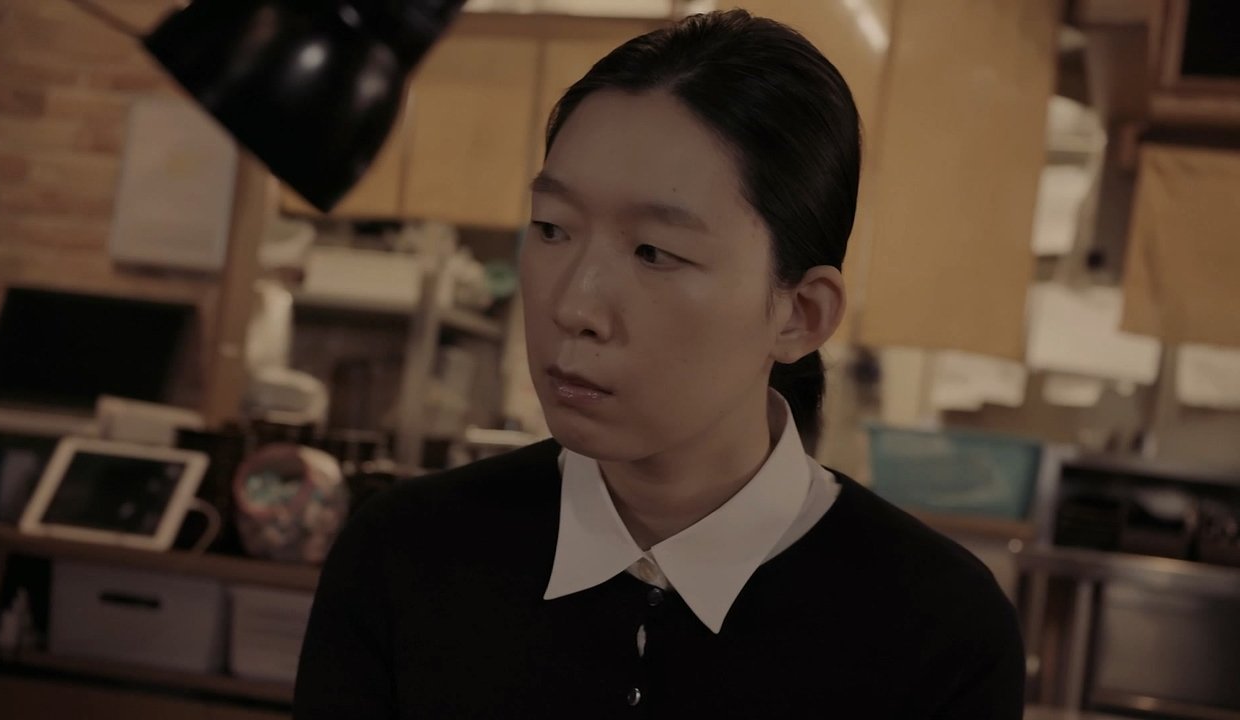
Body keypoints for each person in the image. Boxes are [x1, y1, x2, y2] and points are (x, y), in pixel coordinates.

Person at [295, 9, 1024, 719]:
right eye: (552, 228)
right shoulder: (405, 556)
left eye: (653, 252)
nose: (574, 304)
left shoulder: (937, 632)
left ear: (799, 314)